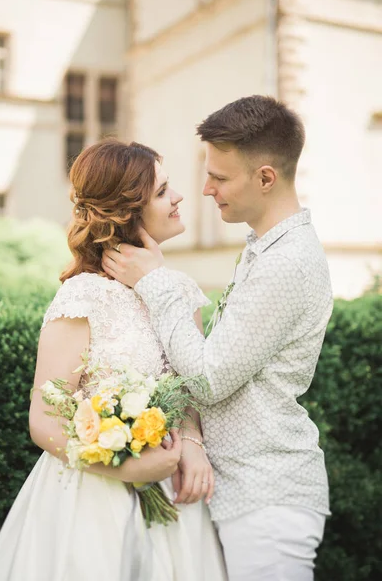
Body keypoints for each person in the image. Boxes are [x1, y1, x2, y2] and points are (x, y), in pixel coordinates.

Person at [102, 96, 334, 581]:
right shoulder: (265, 249)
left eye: (221, 178)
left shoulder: (287, 263)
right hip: (240, 494)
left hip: (268, 498)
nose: (205, 190)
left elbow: (208, 379)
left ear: (266, 177)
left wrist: (157, 283)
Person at [0, 139, 226, 581]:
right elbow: (44, 419)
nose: (178, 198)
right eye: (162, 191)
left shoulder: (181, 290)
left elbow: (189, 387)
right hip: (91, 500)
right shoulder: (84, 296)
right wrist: (130, 467)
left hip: (174, 495)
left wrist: (192, 445)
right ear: (127, 211)